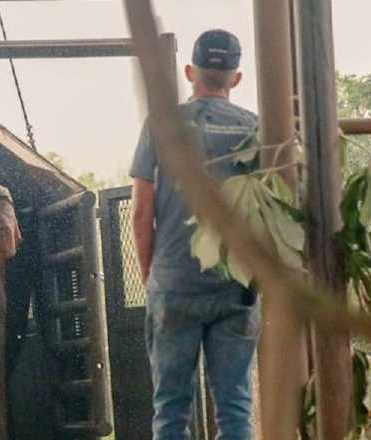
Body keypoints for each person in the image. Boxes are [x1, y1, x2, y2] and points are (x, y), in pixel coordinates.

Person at [129, 29, 259, 440]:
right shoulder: (255, 130)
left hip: (174, 283)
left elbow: (140, 211)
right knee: (235, 408)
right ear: (236, 78)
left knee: (170, 409)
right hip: (235, 286)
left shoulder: (160, 125)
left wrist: (153, 275)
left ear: (190, 72)